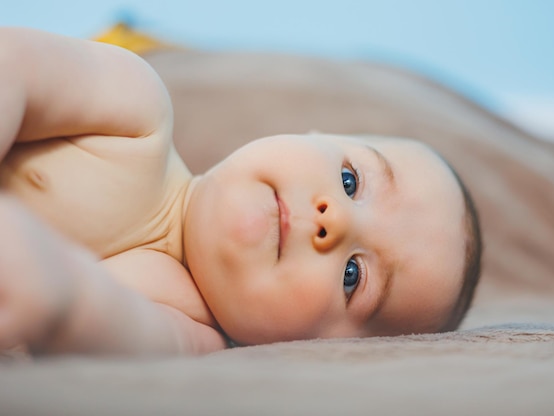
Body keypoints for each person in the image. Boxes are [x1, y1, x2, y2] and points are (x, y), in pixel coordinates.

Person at [0, 27, 482, 356]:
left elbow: (98, 324)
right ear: (310, 135)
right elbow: (14, 63)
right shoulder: (135, 112)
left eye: (353, 277)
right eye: (350, 182)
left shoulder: (192, 334)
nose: (332, 218)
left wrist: (63, 292)